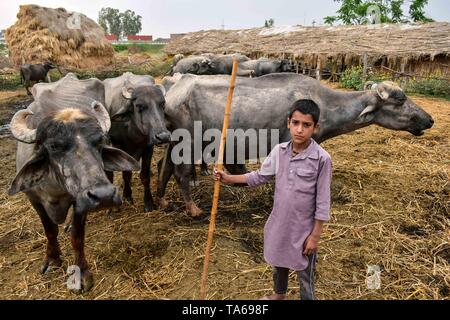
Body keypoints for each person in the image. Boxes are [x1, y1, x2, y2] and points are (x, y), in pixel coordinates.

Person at [214, 99, 332, 300]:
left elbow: (323, 201)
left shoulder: (322, 159)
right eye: (296, 123)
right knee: (279, 261)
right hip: (281, 222)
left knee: (305, 271)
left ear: (316, 127)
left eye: (306, 125)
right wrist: (229, 178)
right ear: (288, 123)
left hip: (304, 228)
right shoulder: (280, 151)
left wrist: (315, 236)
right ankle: (279, 295)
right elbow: (259, 176)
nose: (300, 130)